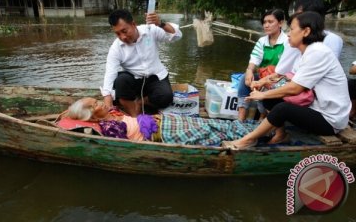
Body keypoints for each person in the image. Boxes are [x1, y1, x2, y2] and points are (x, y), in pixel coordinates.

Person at [223, 11, 351, 150]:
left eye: (292, 29)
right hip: (316, 107)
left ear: (306, 31)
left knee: (282, 108)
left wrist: (263, 94)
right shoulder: (306, 52)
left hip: (330, 120)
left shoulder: (318, 53)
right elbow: (287, 76)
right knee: (270, 99)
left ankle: (248, 140)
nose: (288, 34)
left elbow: (295, 88)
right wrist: (263, 82)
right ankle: (281, 134)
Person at [62, 97, 259, 146]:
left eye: (97, 100)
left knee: (212, 123)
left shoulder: (111, 112)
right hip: (162, 133)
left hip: (162, 120)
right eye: (95, 104)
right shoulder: (108, 127)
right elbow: (126, 147)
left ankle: (257, 127)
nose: (101, 103)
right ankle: (258, 132)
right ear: (92, 116)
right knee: (213, 129)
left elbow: (68, 114)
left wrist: (69, 113)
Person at [100, 9, 182, 117]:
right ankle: (135, 116)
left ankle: (140, 101)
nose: (122, 37)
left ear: (133, 24)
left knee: (166, 97)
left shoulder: (150, 30)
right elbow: (110, 72)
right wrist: (107, 98)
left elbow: (177, 35)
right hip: (135, 80)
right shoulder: (116, 48)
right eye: (117, 33)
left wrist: (160, 23)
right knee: (120, 80)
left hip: (156, 77)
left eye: (124, 31)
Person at [259, 0, 343, 86]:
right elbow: (286, 73)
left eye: (299, 15)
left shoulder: (319, 46)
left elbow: (290, 78)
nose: (288, 34)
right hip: (296, 83)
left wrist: (264, 89)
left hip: (309, 91)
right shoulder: (332, 39)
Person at [237, 8, 287, 121]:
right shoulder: (262, 41)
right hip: (264, 76)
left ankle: (263, 116)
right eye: (264, 22)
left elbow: (286, 70)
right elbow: (255, 58)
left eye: (270, 22)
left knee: (265, 87)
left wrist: (264, 81)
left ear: (280, 23)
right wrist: (249, 70)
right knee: (244, 79)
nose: (266, 25)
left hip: (280, 79)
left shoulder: (287, 42)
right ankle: (241, 117)